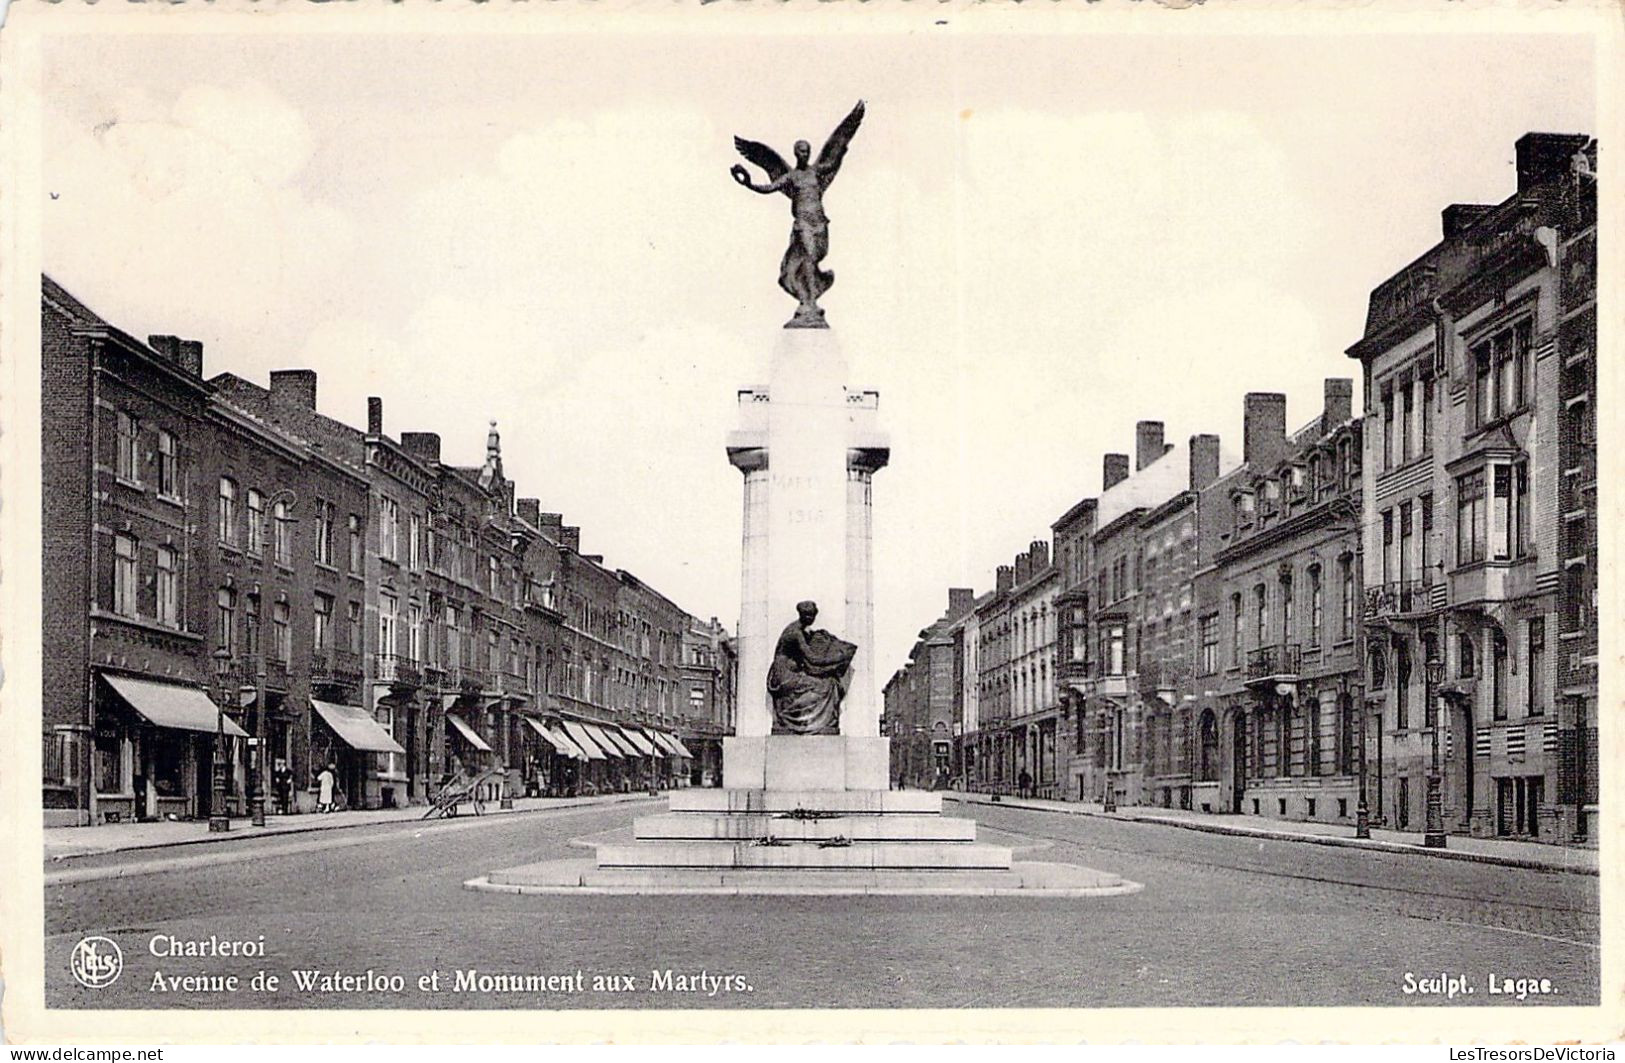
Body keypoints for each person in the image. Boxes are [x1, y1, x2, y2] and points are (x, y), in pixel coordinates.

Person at [766, 601, 857, 734]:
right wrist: (839, 658)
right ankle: (801, 719)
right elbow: (813, 659)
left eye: (812, 616)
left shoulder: (799, 630)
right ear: (800, 615)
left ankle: (808, 719)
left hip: (790, 670)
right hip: (784, 674)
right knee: (826, 685)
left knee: (828, 682)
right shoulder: (795, 632)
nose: (810, 618)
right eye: (807, 615)